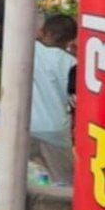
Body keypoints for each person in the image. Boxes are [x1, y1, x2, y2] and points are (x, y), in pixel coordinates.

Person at [29, 14, 78, 184]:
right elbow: (75, 101)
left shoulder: (29, 49)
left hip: (27, 126)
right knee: (63, 182)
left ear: (43, 32)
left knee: (26, 178)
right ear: (71, 40)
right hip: (57, 131)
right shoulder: (72, 63)